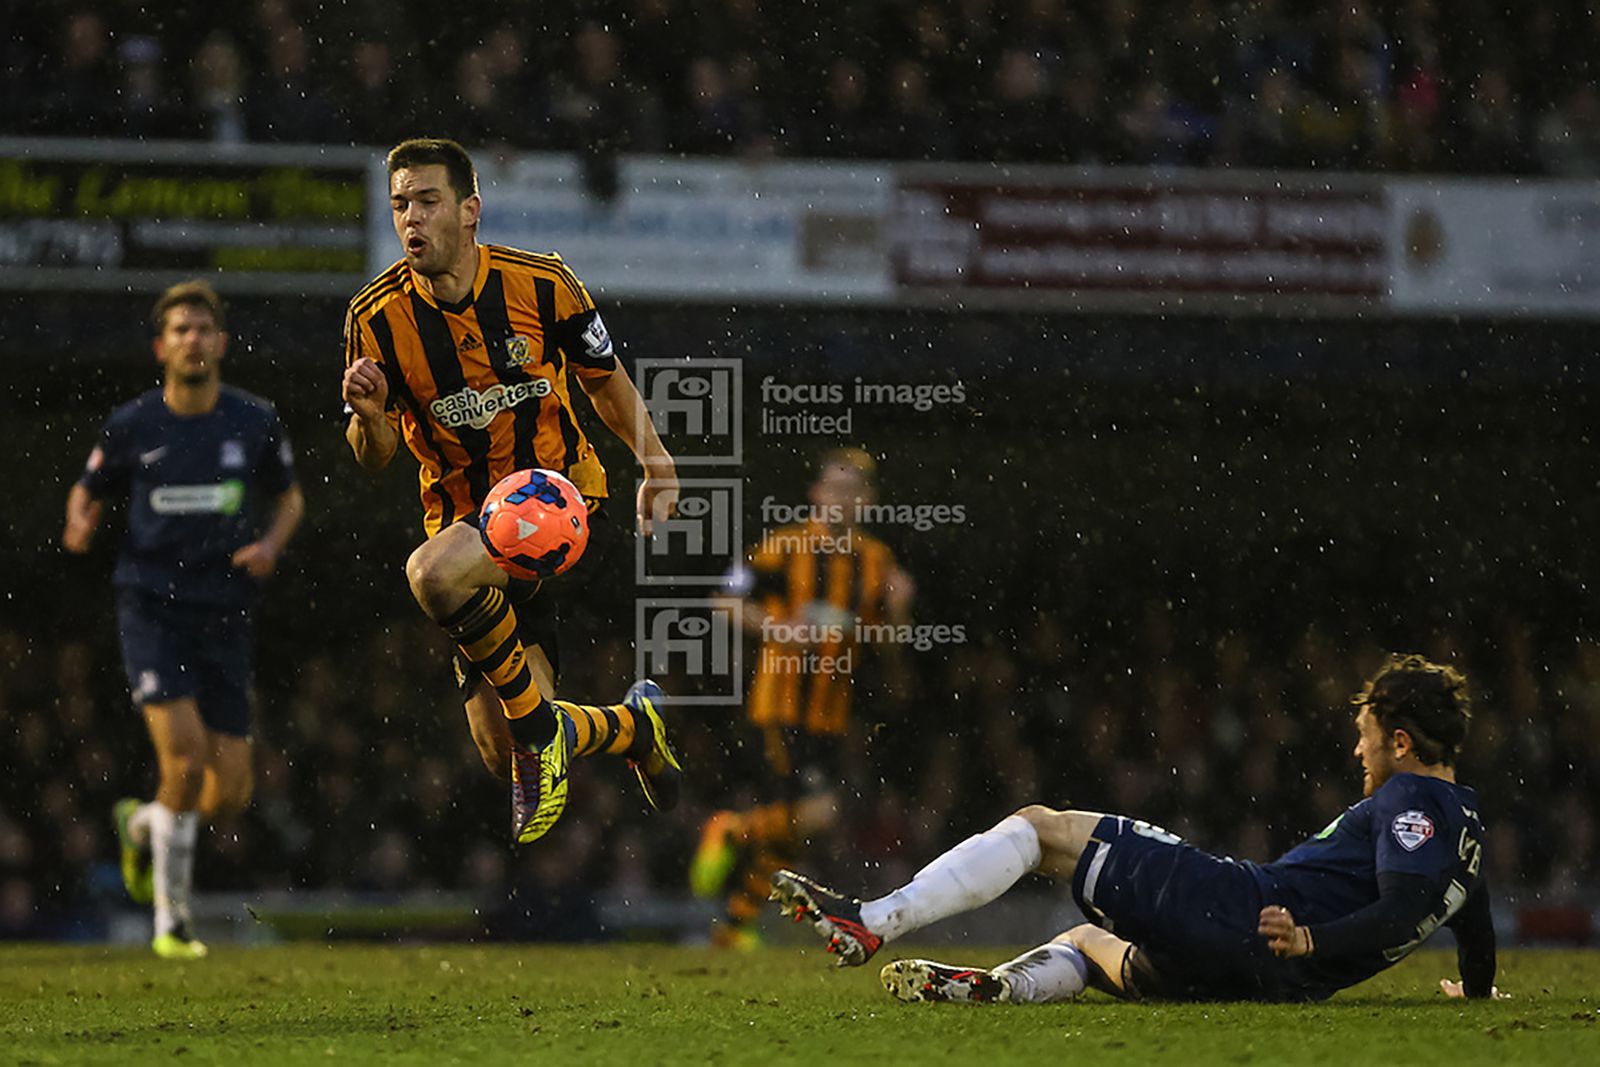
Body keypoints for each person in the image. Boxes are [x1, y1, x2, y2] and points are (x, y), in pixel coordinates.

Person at [770, 653, 1501, 1004]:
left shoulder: (1409, 798)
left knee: (1041, 827)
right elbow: (1475, 926)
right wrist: (1475, 992)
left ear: (1401, 741)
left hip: (1239, 908)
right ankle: (997, 987)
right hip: (1265, 982)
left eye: (1367, 735)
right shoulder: (1466, 831)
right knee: (1085, 943)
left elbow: (1401, 908)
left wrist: (1310, 934)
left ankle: (871, 919)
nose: (1357, 750)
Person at [339, 137, 682, 846]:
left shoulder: (545, 283)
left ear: (470, 211)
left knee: (429, 574)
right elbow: (371, 456)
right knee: (502, 755)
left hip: (557, 498)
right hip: (464, 523)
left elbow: (605, 381)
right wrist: (370, 420)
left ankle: (539, 726)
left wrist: (657, 461)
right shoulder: (372, 319)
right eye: (400, 203)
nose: (412, 218)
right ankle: (628, 728)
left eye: (428, 201)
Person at [63, 280, 304, 959]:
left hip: (226, 609)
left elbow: (288, 499)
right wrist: (80, 511)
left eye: (203, 328)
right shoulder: (133, 424)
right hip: (152, 604)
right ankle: (172, 922)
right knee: (186, 758)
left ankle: (142, 826)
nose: (193, 339)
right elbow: (91, 484)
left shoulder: (253, 420)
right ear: (160, 346)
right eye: (181, 329)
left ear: (221, 343)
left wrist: (269, 544)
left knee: (230, 791)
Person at [692, 449, 913, 947]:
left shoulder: (877, 563)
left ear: (868, 500)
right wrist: (774, 626)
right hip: (781, 703)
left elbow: (888, 648)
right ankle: (730, 831)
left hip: (833, 712)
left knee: (799, 829)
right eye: (834, 489)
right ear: (816, 495)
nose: (842, 500)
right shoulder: (783, 547)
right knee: (820, 813)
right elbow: (725, 598)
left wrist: (899, 612)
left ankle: (732, 928)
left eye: (852, 491)